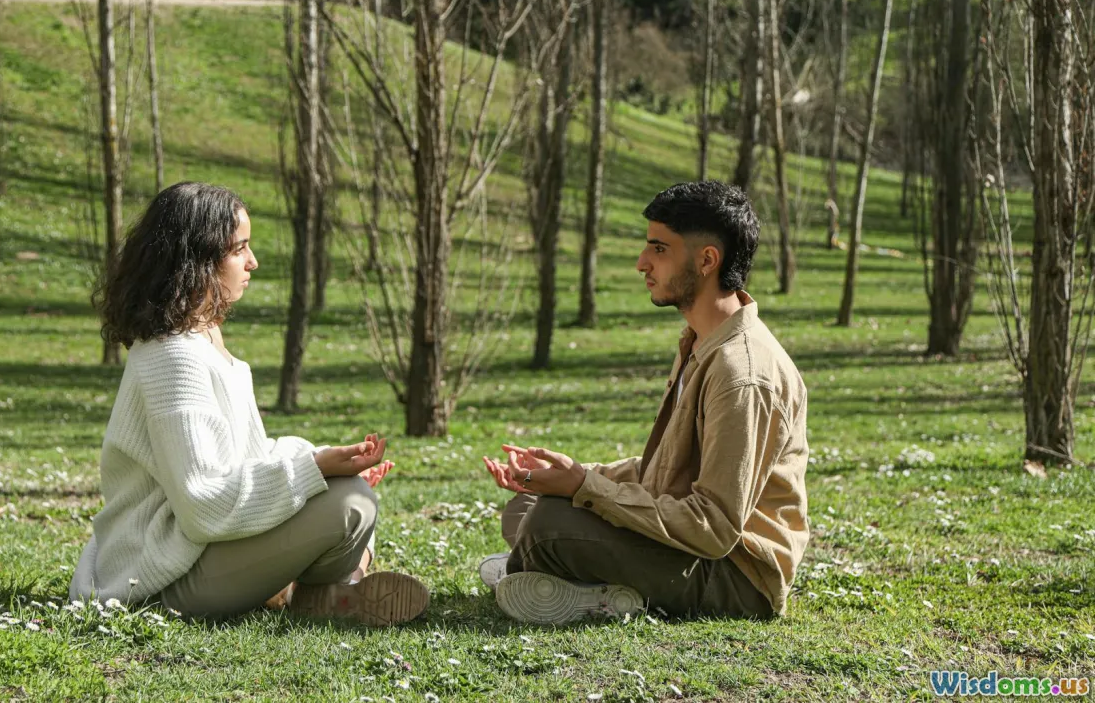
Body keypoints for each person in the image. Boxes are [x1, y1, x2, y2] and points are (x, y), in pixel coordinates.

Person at [69, 182, 429, 626]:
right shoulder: (172, 358)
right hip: (161, 576)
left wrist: (324, 462)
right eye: (240, 249)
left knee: (354, 494)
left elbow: (242, 458)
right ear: (198, 260)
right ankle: (330, 590)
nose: (253, 262)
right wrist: (315, 470)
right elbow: (204, 505)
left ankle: (327, 592)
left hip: (200, 551)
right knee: (350, 504)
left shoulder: (203, 341)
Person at [480, 181, 808, 625]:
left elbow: (714, 527)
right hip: (686, 545)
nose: (642, 263)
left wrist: (584, 489)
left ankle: (568, 581)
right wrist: (574, 476)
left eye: (659, 249)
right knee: (527, 506)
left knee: (544, 528)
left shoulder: (742, 374)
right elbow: (667, 467)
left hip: (735, 577)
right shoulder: (703, 342)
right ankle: (569, 580)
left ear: (707, 260)